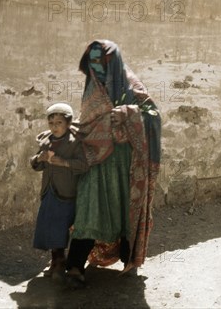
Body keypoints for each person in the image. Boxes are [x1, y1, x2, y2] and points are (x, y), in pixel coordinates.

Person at [65, 40, 161, 288]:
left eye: (101, 62)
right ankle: (75, 265)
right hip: (95, 164)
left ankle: (129, 261)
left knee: (124, 211)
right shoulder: (92, 87)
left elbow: (153, 115)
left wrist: (128, 114)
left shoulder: (130, 85)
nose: (96, 67)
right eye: (92, 62)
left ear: (113, 62)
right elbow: (88, 121)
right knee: (88, 209)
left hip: (125, 164)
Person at [30, 103, 88, 278]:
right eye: (51, 123)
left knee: (60, 227)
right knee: (48, 225)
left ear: (69, 123)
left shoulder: (75, 143)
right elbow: (36, 165)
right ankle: (55, 260)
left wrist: (64, 162)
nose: (54, 127)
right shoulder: (46, 141)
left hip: (66, 192)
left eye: (59, 123)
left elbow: (84, 165)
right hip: (49, 191)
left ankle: (61, 261)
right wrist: (38, 158)